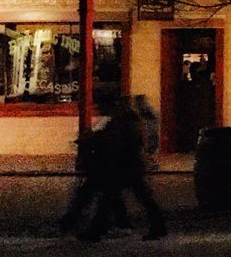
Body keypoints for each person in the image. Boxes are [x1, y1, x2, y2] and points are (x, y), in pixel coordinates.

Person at [61, 92, 167, 241]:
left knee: (110, 196)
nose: (100, 109)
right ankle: (101, 227)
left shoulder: (126, 122)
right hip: (125, 165)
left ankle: (96, 229)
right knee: (127, 196)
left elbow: (116, 141)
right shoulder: (122, 121)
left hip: (124, 166)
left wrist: (93, 141)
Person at [133, 94, 160, 169]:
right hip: (148, 132)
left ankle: (150, 163)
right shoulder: (147, 112)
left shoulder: (144, 111)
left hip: (149, 132)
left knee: (148, 148)